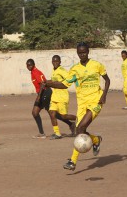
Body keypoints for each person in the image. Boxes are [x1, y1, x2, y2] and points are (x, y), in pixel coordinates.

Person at [44, 42, 110, 170]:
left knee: (81, 127)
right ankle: (96, 140)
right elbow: (64, 84)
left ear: (88, 51)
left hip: (96, 101)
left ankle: (72, 161)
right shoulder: (75, 69)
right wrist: (49, 84)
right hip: (82, 103)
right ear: (77, 53)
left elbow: (107, 80)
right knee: (80, 131)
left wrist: (104, 95)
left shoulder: (96, 65)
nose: (82, 55)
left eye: (84, 52)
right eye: (80, 53)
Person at [26, 59, 75, 139]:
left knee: (54, 114)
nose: (29, 67)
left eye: (30, 65)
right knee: (35, 113)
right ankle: (42, 133)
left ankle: (72, 123)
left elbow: (43, 84)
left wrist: (39, 96)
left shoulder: (36, 72)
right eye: (28, 65)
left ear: (34, 65)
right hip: (42, 94)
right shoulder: (33, 72)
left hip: (45, 93)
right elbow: (46, 81)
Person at [47, 55, 76, 139]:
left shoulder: (62, 70)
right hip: (54, 96)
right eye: (53, 61)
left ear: (60, 62)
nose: (55, 63)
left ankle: (78, 119)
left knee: (63, 116)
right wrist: (46, 82)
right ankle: (57, 133)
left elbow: (69, 80)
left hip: (62, 96)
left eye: (57, 61)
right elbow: (54, 80)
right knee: (52, 113)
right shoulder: (53, 70)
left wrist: (61, 85)